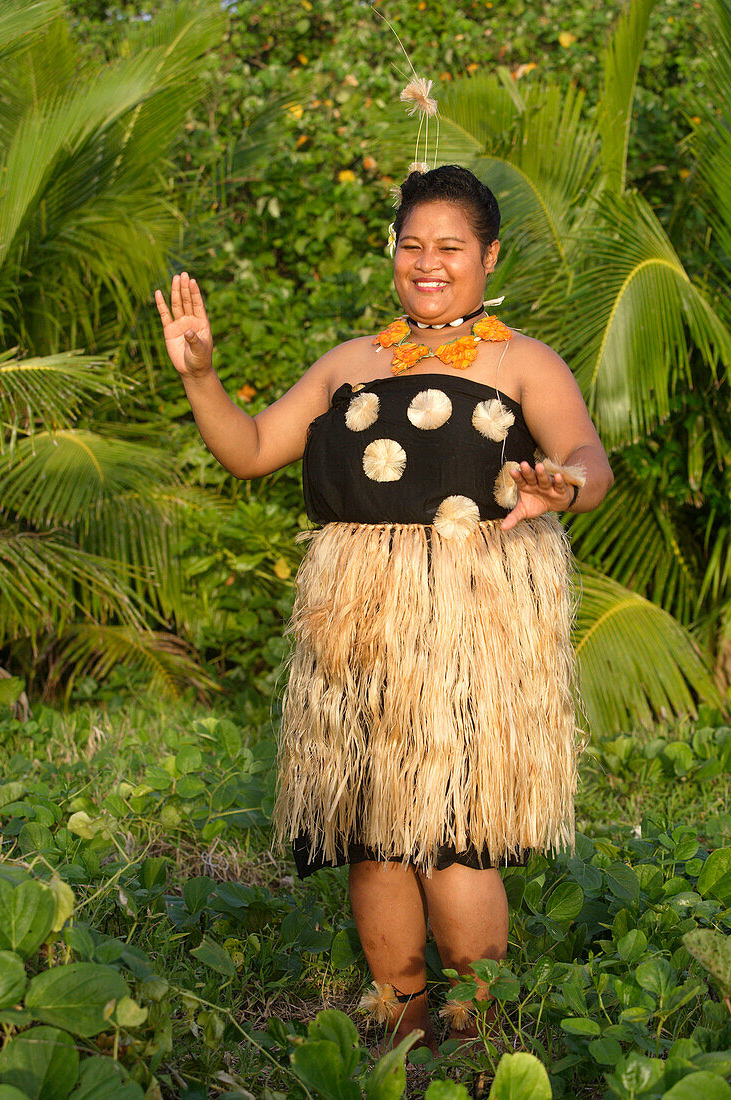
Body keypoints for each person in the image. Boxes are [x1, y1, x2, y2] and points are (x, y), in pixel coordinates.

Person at [155, 165, 613, 1057]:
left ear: (486, 256)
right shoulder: (350, 362)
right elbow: (250, 451)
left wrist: (566, 484)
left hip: (468, 616)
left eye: (449, 247)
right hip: (358, 620)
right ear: (392, 253)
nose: (428, 263)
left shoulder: (521, 359)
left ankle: (475, 1035)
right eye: (412, 245)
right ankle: (397, 1032)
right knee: (373, 834)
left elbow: (585, 456)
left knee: (452, 835)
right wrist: (201, 377)